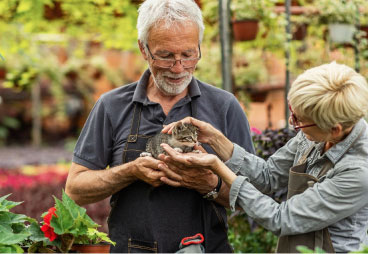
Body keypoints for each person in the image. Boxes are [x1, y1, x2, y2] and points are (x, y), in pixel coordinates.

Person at [65, 0, 254, 252]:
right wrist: (130, 171)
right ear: (144, 49)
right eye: (166, 55)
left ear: (199, 46)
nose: (178, 68)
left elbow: (253, 197)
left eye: (188, 54)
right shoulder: (112, 106)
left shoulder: (225, 106)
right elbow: (75, 190)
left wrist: (209, 184)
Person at [159, 62, 368, 253]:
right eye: (292, 111)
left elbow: (281, 219)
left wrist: (219, 168)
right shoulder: (319, 127)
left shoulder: (362, 173)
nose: (292, 122)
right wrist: (217, 139)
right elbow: (268, 177)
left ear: (334, 129)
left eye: (298, 120)